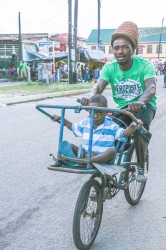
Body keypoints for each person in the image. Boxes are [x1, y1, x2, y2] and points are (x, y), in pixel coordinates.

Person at [81, 21, 157, 182]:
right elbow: (97, 88)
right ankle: (104, 162)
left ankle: (141, 163)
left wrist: (141, 101)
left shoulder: (145, 65)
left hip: (144, 105)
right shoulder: (110, 67)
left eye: (124, 47)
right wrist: (90, 99)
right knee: (105, 129)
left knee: (139, 129)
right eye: (116, 48)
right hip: (122, 108)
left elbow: (151, 88)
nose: (120, 51)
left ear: (133, 49)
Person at [53, 94, 142, 165]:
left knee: (112, 151)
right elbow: (73, 127)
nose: (95, 116)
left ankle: (89, 161)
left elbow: (124, 134)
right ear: (89, 111)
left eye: (99, 112)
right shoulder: (86, 122)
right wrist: (62, 120)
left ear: (106, 112)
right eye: (92, 112)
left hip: (103, 158)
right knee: (69, 145)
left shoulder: (111, 125)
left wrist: (132, 126)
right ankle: (78, 160)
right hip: (86, 153)